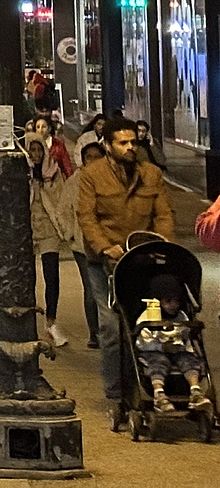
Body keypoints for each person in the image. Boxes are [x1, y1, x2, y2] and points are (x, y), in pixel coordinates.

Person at [76, 116, 178, 427]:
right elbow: (87, 216)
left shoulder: (151, 175)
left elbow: (163, 215)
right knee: (111, 328)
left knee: (147, 322)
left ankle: (153, 384)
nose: (130, 147)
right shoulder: (92, 175)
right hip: (104, 262)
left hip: (142, 259)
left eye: (133, 141)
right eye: (123, 143)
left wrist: (163, 244)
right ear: (107, 146)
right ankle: (116, 394)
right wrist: (105, 247)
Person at [25, 133, 80, 346]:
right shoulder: (22, 172)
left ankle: (51, 322)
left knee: (52, 277)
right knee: (26, 277)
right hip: (28, 228)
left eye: (39, 150)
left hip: (48, 228)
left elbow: (60, 199)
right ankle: (28, 318)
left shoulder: (53, 172)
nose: (36, 154)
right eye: (32, 150)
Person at [131, 272, 210, 411]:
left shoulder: (181, 315)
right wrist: (161, 347)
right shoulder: (146, 318)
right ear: (158, 301)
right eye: (168, 301)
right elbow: (142, 342)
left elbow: (185, 333)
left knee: (190, 361)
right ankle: (159, 395)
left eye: (177, 301)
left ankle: (196, 391)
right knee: (158, 363)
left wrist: (183, 339)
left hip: (177, 349)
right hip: (153, 351)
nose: (174, 305)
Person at [72, 140, 108, 349]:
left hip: (108, 245)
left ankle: (109, 330)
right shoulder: (76, 181)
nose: (93, 161)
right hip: (82, 246)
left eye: (97, 157)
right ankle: (94, 332)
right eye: (89, 157)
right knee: (91, 290)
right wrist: (70, 234)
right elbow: (65, 209)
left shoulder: (112, 180)